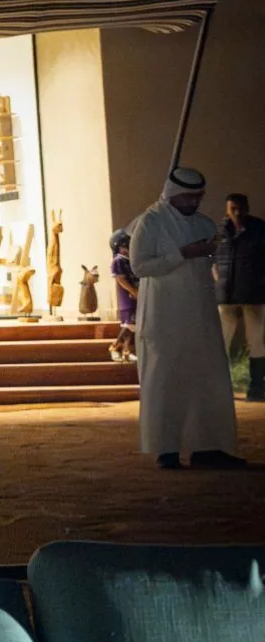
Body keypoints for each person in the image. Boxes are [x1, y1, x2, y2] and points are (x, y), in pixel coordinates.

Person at [129, 167, 245, 469]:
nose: (195, 202)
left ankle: (208, 446)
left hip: (201, 313)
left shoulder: (203, 223)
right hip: (164, 315)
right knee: (166, 379)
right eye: (189, 197)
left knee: (207, 378)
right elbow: (140, 267)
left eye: (198, 197)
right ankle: (166, 448)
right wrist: (183, 253)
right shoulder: (150, 222)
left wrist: (207, 251)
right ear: (173, 195)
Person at [213, 193, 265, 401]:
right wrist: (218, 280)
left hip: (253, 294)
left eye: (239, 208)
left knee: (256, 340)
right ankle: (220, 386)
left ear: (247, 208)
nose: (236, 212)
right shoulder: (220, 231)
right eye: (233, 208)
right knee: (221, 341)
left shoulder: (259, 230)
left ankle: (257, 387)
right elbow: (213, 259)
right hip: (226, 294)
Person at [109, 230, 138, 363]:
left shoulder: (130, 261)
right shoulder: (118, 261)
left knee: (134, 326)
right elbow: (120, 279)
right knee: (129, 325)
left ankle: (126, 350)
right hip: (128, 298)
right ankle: (115, 346)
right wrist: (133, 290)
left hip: (136, 297)